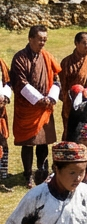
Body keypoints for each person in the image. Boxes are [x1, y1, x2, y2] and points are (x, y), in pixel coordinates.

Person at [10, 24, 62, 187]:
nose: (42, 43)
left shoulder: (47, 57)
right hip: (27, 108)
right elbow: (20, 83)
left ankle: (42, 171)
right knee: (28, 142)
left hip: (45, 108)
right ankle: (28, 175)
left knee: (43, 141)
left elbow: (56, 79)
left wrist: (52, 97)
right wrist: (39, 99)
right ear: (30, 38)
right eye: (39, 39)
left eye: (45, 40)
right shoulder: (20, 58)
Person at [0, 57, 10, 190]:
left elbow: (8, 82)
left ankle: (2, 175)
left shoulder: (1, 62)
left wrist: (5, 97)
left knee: (3, 145)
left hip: (0, 112)